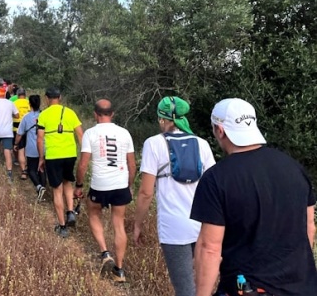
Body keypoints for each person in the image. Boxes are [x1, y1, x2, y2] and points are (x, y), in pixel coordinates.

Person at [191, 98, 317, 296]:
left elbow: (209, 248)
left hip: (248, 289)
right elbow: (309, 227)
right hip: (303, 287)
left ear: (220, 131)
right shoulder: (295, 168)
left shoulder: (216, 179)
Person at [133, 96, 215, 296]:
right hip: (203, 225)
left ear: (163, 119)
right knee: (205, 287)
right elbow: (214, 186)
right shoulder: (202, 144)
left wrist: (138, 224)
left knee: (184, 289)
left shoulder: (153, 144)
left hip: (173, 228)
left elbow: (145, 192)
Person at [75, 99, 136, 282]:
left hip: (99, 184)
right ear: (112, 114)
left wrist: (79, 185)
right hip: (120, 183)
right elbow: (132, 165)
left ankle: (105, 252)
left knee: (94, 213)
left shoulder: (90, 133)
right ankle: (119, 269)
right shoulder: (124, 133)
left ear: (95, 114)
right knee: (118, 224)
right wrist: (129, 185)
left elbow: (83, 164)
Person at [37, 87, 83, 238]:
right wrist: (84, 154)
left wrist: (41, 158)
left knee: (57, 189)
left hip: (53, 155)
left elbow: (40, 138)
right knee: (68, 182)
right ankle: (70, 211)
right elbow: (80, 134)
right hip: (70, 154)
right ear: (60, 97)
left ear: (47, 98)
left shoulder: (43, 115)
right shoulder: (70, 112)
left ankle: (62, 226)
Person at [15, 95, 46, 200]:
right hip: (45, 147)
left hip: (32, 147)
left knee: (32, 169)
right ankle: (43, 189)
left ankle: (39, 186)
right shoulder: (44, 115)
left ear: (30, 104)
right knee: (41, 168)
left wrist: (16, 144)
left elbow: (19, 133)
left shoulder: (26, 117)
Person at [12, 88, 30, 177]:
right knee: (28, 149)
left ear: (17, 95)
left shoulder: (14, 103)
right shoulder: (29, 103)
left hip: (17, 129)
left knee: (20, 149)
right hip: (28, 129)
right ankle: (29, 166)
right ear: (25, 95)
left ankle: (23, 171)